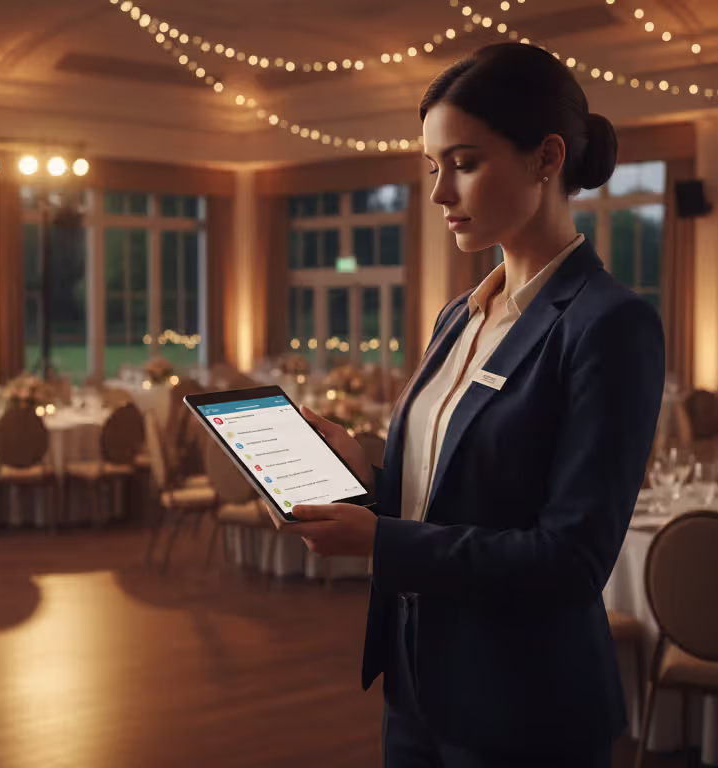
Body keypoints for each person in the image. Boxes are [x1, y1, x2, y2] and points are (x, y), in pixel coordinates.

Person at [270, 42, 665, 767]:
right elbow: (450, 492)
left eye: (464, 163)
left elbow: (571, 562)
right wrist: (368, 470)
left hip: (525, 707)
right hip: (417, 683)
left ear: (547, 160)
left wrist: (379, 543)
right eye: (432, 168)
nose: (438, 194)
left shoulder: (609, 324)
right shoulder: (460, 315)